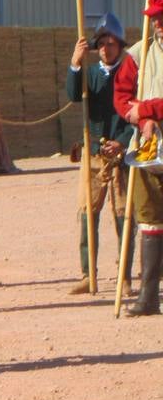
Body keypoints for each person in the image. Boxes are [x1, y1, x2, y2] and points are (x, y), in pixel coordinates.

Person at [64, 15, 135, 294]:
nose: (106, 48)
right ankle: (87, 273)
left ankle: (125, 276)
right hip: (93, 152)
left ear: (119, 45)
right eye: (101, 44)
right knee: (87, 213)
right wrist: (75, 62)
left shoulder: (130, 72)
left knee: (123, 215)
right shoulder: (90, 74)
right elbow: (73, 95)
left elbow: (136, 115)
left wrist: (123, 142)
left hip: (120, 154)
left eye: (111, 43)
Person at [114, 0, 163, 315]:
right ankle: (147, 297)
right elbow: (121, 97)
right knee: (149, 219)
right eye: (155, 19)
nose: (158, 24)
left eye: (162, 18)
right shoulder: (137, 54)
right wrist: (144, 117)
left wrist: (147, 108)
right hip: (148, 147)